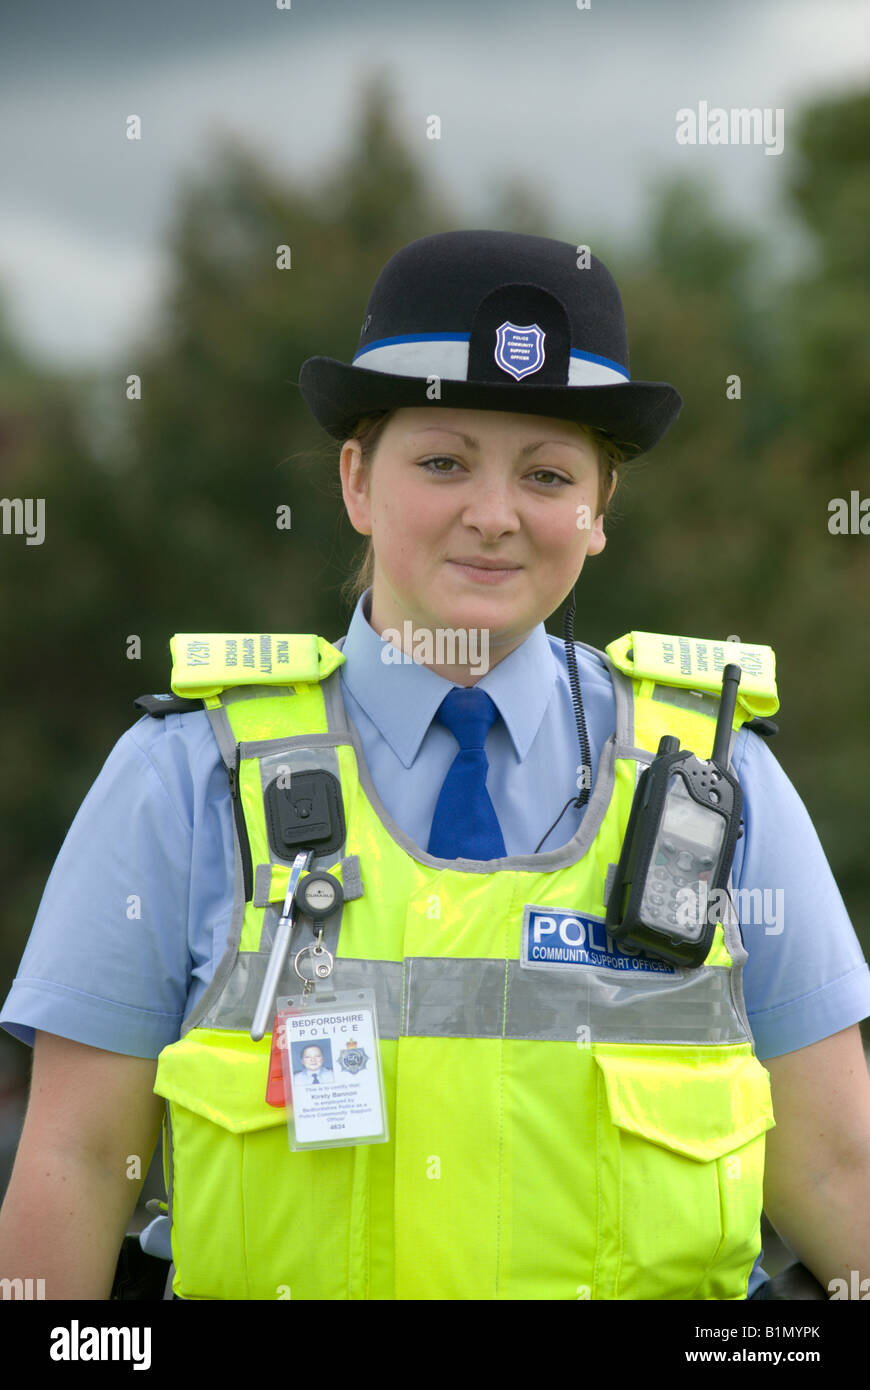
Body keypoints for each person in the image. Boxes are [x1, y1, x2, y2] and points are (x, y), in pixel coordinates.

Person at [1, 229, 869, 1302]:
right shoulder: (183, 778)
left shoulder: (720, 783)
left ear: (599, 511)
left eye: (548, 474)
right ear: (358, 482)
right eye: (444, 461)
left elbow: (838, 1170)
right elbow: (76, 1166)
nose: (494, 515)